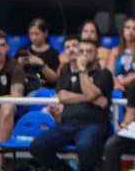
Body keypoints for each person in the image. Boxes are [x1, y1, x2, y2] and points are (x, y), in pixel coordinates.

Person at [29, 37, 113, 171]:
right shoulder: (67, 70)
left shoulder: (104, 74)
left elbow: (91, 93)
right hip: (67, 124)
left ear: (96, 54)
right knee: (37, 146)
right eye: (82, 51)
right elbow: (62, 96)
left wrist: (82, 70)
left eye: (89, 51)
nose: (84, 54)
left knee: (86, 148)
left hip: (93, 124)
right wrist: (90, 98)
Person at [16, 17, 61, 91]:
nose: (33, 37)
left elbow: (54, 80)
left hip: (45, 89)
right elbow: (11, 74)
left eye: (37, 34)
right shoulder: (22, 51)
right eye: (31, 34)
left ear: (45, 33)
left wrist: (41, 63)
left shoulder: (54, 53)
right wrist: (18, 64)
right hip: (24, 88)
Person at [110, 16, 135, 91]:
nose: (130, 31)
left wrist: (121, 83)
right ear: (123, 30)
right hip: (115, 87)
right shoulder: (115, 50)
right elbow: (109, 74)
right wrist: (116, 85)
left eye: (134, 29)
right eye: (128, 28)